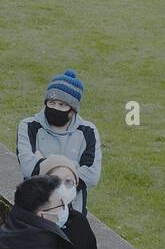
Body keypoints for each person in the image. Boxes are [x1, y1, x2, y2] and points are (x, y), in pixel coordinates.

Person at [15, 69, 101, 212]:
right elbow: (28, 168)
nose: (55, 108)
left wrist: (44, 163)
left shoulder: (88, 131)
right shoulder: (28, 126)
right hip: (34, 210)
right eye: (52, 102)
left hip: (73, 211)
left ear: (72, 110)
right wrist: (72, 170)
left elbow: (91, 175)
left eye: (62, 105)